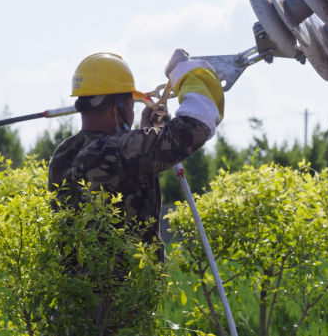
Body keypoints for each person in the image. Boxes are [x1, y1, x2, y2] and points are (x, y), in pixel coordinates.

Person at [49, 50, 224, 263]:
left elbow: (127, 169)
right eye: (131, 104)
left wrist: (147, 134)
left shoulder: (65, 153)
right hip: (121, 294)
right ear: (118, 108)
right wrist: (185, 71)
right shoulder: (119, 150)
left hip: (76, 292)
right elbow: (198, 124)